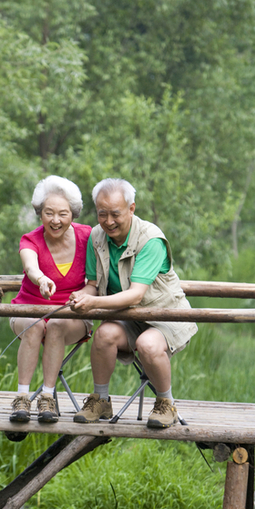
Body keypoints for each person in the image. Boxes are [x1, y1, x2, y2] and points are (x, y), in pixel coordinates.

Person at [70, 177, 197, 429]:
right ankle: (101, 400)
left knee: (147, 344)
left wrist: (93, 302)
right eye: (101, 213)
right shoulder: (96, 236)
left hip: (165, 316)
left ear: (131, 209)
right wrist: (82, 295)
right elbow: (92, 283)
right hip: (129, 318)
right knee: (104, 334)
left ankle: (166, 404)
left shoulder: (151, 239)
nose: (108, 221)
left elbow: (136, 294)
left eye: (115, 214)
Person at [9, 175, 93, 424]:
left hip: (71, 315)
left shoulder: (88, 237)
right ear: (40, 213)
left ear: (73, 214)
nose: (55, 220)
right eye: (49, 213)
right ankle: (22, 398)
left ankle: (47, 397)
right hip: (29, 310)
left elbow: (95, 283)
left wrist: (84, 295)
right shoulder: (30, 239)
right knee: (36, 323)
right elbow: (30, 266)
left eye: (63, 214)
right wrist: (41, 280)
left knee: (55, 325)